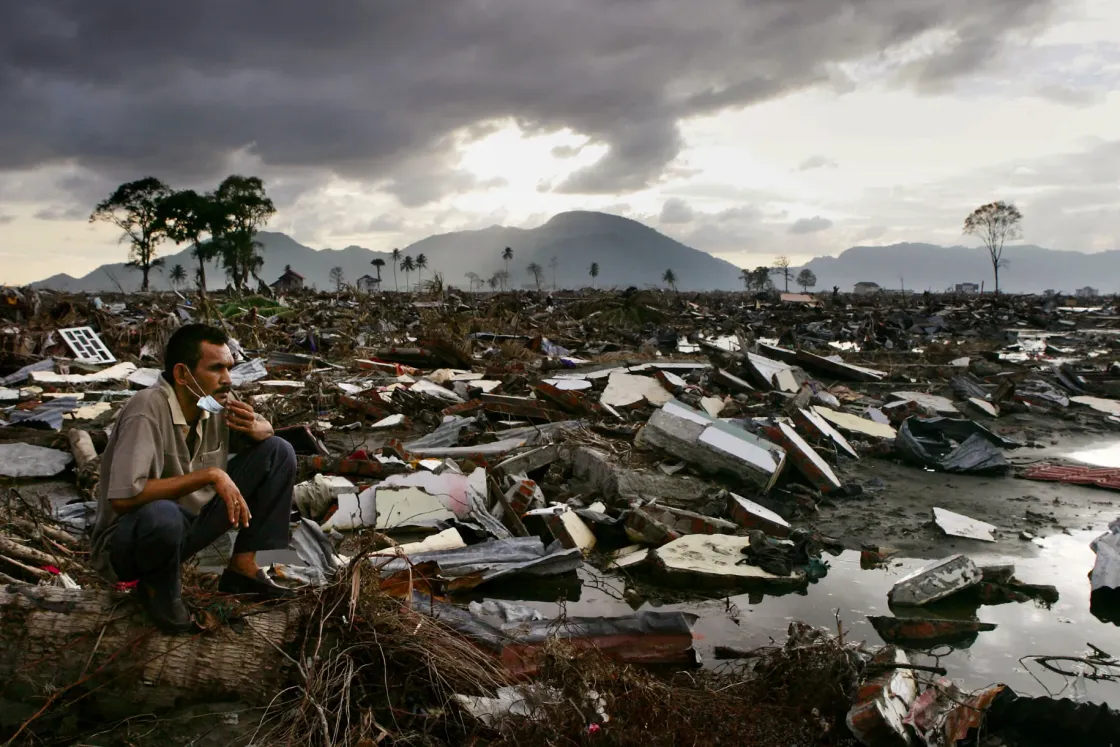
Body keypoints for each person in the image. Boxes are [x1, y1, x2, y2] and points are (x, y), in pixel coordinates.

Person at [90, 324, 297, 633]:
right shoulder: (146, 408)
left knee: (279, 452)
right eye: (216, 369)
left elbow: (266, 436)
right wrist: (211, 475)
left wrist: (259, 428)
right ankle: (157, 589)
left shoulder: (211, 402)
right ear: (183, 374)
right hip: (131, 543)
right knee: (163, 512)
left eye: (229, 368)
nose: (227, 379)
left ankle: (244, 568)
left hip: (185, 529)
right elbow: (123, 498)